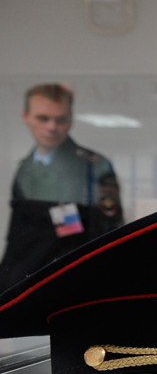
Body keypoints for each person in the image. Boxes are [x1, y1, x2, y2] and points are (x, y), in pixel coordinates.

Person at [0, 83, 123, 291]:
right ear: (26, 117)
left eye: (61, 119)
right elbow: (17, 238)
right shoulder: (24, 169)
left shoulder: (94, 167)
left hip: (73, 280)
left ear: (70, 119)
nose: (51, 127)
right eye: (43, 118)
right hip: (23, 281)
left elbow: (108, 229)